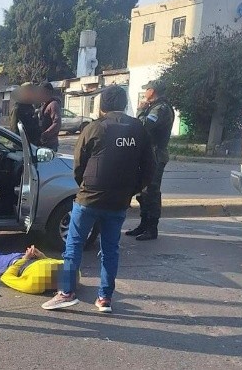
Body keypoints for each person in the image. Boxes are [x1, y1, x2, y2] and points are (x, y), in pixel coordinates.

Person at [42, 85, 154, 313]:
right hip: (118, 201)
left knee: (73, 245)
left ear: (102, 105)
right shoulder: (138, 129)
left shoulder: (94, 128)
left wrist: (85, 187)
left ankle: (66, 292)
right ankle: (104, 298)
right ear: (124, 104)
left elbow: (78, 165)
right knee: (110, 250)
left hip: (89, 199)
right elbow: (149, 169)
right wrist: (130, 191)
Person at [127, 80, 175, 241]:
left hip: (156, 155)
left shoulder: (161, 109)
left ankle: (151, 228)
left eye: (146, 89)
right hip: (148, 154)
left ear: (152, 91)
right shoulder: (154, 107)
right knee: (143, 191)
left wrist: (140, 110)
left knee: (151, 192)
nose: (145, 92)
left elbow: (144, 125)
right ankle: (143, 224)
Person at [0, 231, 68, 294]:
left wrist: (25, 259)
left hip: (14, 263)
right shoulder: (67, 268)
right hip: (29, 258)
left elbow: (6, 277)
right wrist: (41, 255)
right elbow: (50, 262)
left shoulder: (34, 285)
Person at [38, 82, 62, 151]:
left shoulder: (53, 104)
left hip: (50, 144)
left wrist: (44, 135)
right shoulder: (43, 104)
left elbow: (57, 123)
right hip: (43, 143)